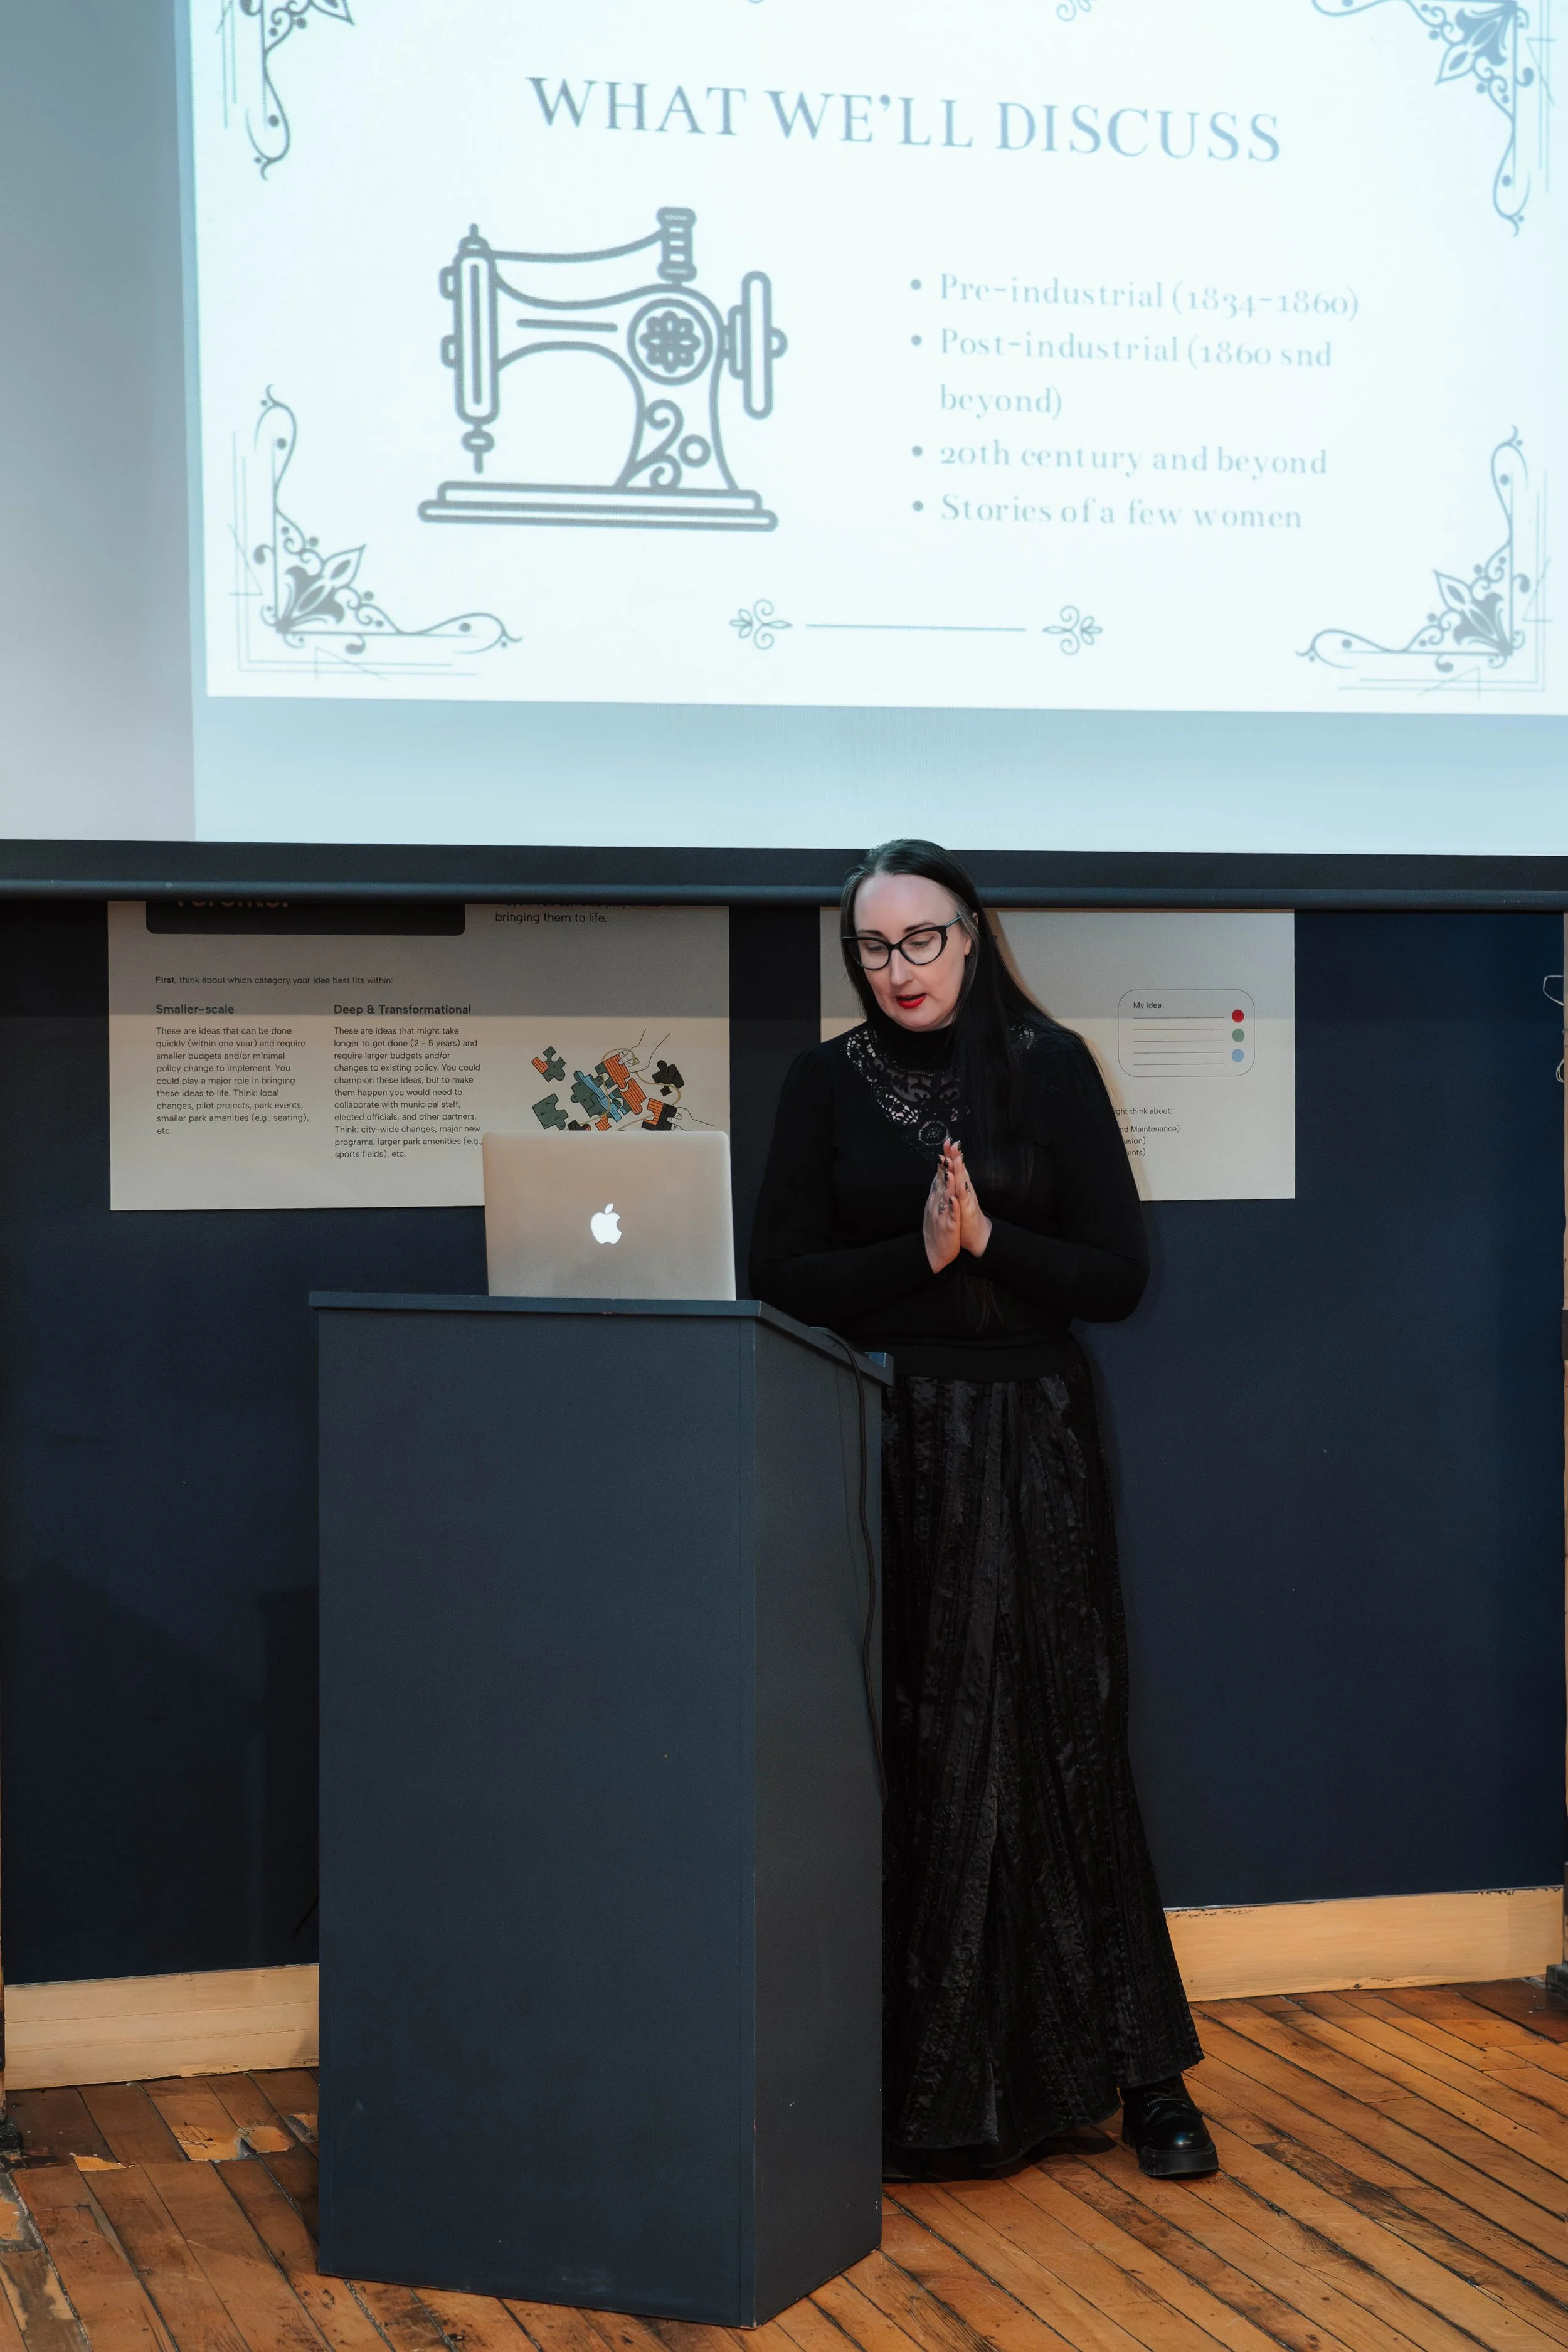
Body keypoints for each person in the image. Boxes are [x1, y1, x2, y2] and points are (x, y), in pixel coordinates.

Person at [749, 840, 1217, 2183]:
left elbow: (1113, 1277)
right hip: (885, 1437)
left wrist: (994, 1245)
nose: (897, 971)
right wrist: (923, 1254)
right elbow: (784, 1274)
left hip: (1033, 1441)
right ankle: (922, 2087)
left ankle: (1145, 2081)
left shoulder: (1051, 1068)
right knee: (921, 1746)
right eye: (872, 949)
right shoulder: (818, 1083)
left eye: (920, 941)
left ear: (972, 933)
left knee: (1066, 1737)